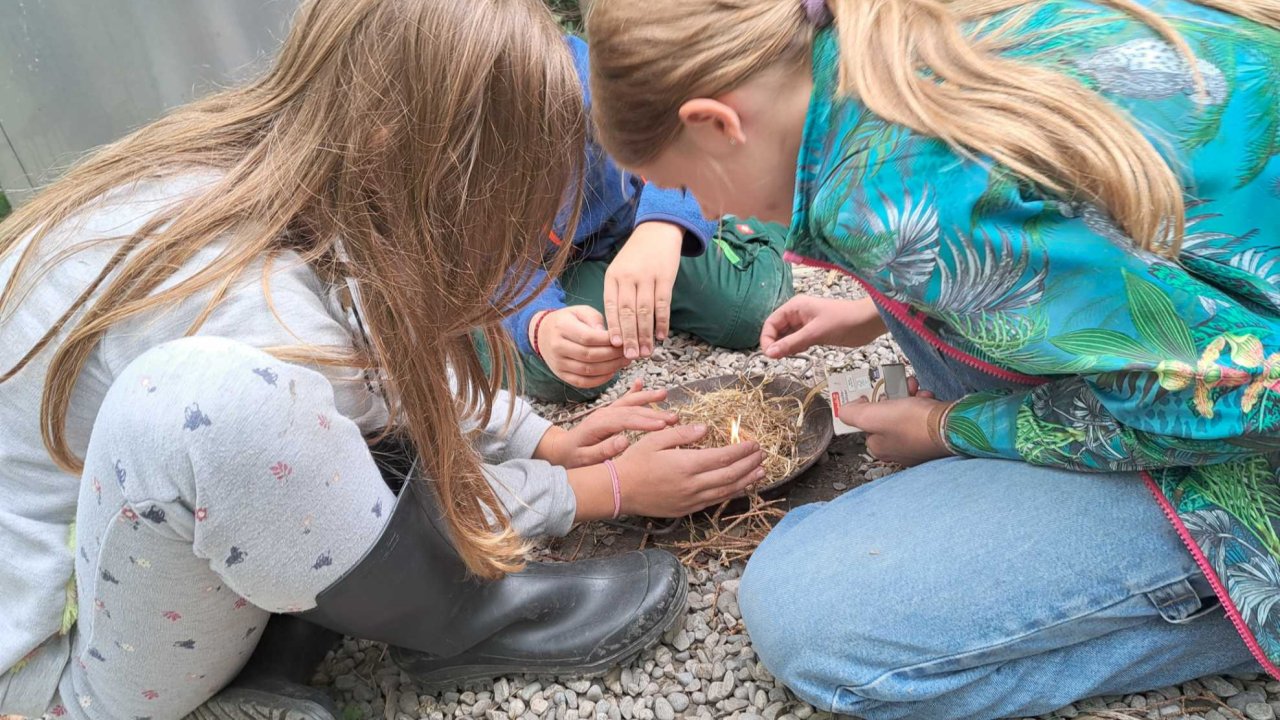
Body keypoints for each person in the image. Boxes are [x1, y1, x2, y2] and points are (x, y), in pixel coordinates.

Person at [0, 2, 766, 718]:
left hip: (135, 554)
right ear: (404, 157)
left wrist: (543, 439)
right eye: (519, 202)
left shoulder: (294, 185)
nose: (538, 234)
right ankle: (452, 616)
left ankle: (298, 630)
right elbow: (367, 476)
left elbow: (387, 373)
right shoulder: (260, 309)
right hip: (59, 669)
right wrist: (603, 488)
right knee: (224, 408)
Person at [582, 0, 1280, 717]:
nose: (712, 212)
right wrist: (877, 311)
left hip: (1246, 427)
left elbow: (1218, 403)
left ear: (716, 125)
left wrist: (949, 426)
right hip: (1234, 332)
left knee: (813, 623)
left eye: (692, 188)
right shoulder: (880, 46)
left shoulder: (899, 197)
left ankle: (1238, 607)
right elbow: (1086, 246)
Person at [500, 35, 795, 403]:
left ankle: (755, 211)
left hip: (642, 221)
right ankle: (480, 347)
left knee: (749, 312)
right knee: (573, 373)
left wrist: (664, 224)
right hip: (556, 270)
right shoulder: (443, 159)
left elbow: (678, 134)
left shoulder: (582, 75)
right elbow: (490, 272)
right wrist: (537, 324)